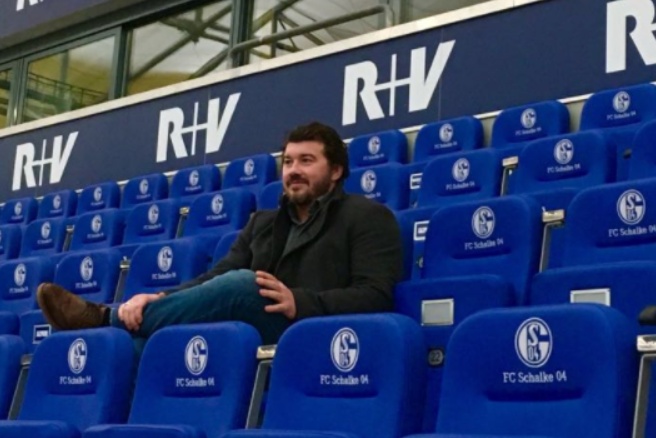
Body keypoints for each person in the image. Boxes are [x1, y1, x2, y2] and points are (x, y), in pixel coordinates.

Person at [37, 121, 403, 347]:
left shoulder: (367, 216)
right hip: (244, 331)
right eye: (288, 161)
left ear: (336, 171)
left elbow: (375, 295)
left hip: (312, 328)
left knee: (244, 284)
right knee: (136, 349)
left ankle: (104, 318)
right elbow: (214, 281)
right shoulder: (263, 222)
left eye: (307, 161)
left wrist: (300, 301)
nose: (293, 170)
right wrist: (158, 297)